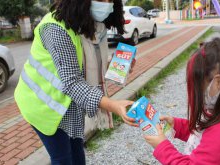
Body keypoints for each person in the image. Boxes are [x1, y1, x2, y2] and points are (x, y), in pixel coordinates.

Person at [14, 0, 137, 164]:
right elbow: (72, 82)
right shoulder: (56, 28)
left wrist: (114, 65)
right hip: (44, 106)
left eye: (110, 0)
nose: (107, 4)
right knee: (62, 158)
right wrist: (112, 105)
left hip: (70, 105)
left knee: (78, 154)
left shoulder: (88, 25)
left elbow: (85, 64)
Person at [144, 38, 220, 165]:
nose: (196, 95)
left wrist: (162, 147)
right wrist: (176, 125)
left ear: (218, 83)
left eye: (197, 88)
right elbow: (202, 135)